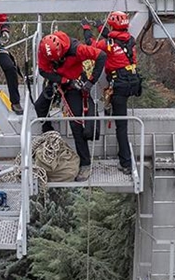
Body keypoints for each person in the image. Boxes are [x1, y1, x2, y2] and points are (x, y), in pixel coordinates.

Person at [35, 31, 107, 181]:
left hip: (76, 82)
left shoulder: (76, 49)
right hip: (59, 80)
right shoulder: (44, 51)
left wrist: (90, 82)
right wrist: (62, 80)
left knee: (76, 123)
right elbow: (43, 70)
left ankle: (85, 163)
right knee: (40, 106)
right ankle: (49, 134)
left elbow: (101, 56)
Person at [83, 11, 141, 172]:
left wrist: (86, 29)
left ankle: (126, 162)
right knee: (120, 116)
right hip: (132, 82)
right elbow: (115, 38)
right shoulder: (130, 40)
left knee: (121, 126)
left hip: (119, 86)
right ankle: (125, 159)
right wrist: (101, 27)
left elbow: (91, 46)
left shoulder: (107, 43)